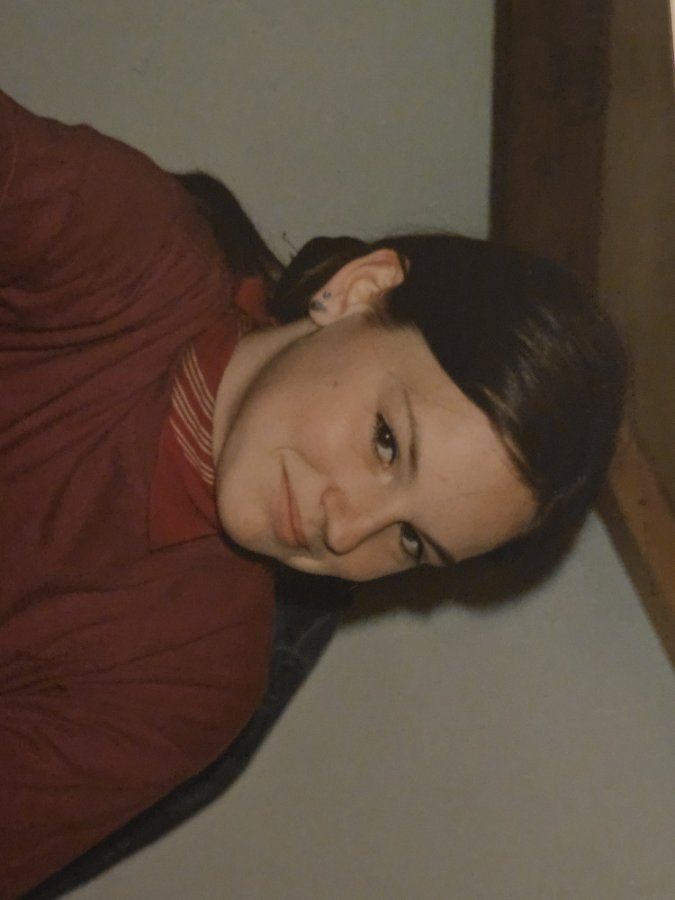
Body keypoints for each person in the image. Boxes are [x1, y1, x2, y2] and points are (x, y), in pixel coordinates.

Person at [0, 91, 626, 898]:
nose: (345, 529)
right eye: (386, 442)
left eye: (411, 542)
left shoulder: (193, 678)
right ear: (360, 290)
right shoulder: (126, 247)